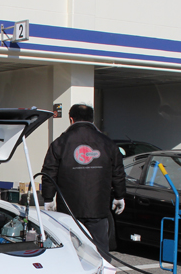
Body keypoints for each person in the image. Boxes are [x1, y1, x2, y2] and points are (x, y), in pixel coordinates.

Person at [40, 103, 126, 255]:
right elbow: (118, 172)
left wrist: (48, 198)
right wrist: (119, 196)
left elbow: (49, 172)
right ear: (92, 120)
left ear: (71, 119)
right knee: (99, 250)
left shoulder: (60, 143)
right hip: (98, 207)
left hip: (68, 209)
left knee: (71, 249)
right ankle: (102, 269)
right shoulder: (107, 143)